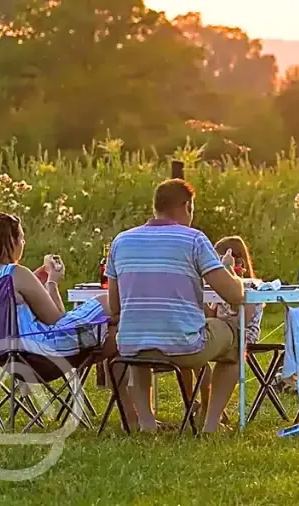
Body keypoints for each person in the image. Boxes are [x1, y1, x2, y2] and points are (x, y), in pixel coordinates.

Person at [106, 178, 244, 433]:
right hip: (183, 347)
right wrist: (230, 271)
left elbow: (115, 306)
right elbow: (234, 295)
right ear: (187, 206)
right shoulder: (193, 240)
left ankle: (147, 422)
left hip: (131, 346)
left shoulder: (121, 241)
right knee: (235, 338)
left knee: (142, 335)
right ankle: (211, 423)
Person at [0, 212, 114, 358]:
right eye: (22, 239)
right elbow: (56, 320)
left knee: (114, 326)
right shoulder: (15, 273)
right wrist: (52, 282)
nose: (24, 243)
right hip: (43, 350)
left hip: (3, 351)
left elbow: (16, 300)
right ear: (11, 241)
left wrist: (38, 277)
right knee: (108, 302)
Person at [198, 235, 264, 428]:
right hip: (221, 331)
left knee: (231, 347)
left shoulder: (252, 286)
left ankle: (210, 411)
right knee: (194, 355)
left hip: (243, 334)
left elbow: (241, 318)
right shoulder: (218, 286)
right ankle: (207, 406)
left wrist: (227, 273)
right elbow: (212, 314)